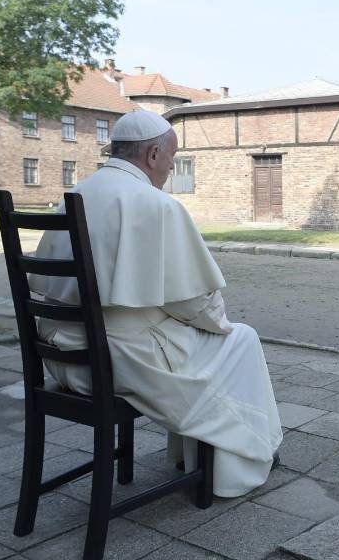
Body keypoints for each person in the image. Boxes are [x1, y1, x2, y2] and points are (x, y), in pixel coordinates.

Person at [28, 110, 281, 498]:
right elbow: (196, 303)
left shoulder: (74, 195)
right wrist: (220, 324)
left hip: (63, 358)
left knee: (203, 343)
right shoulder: (156, 203)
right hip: (117, 363)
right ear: (152, 154)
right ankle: (239, 460)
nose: (170, 167)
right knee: (240, 339)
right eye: (172, 158)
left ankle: (196, 455)